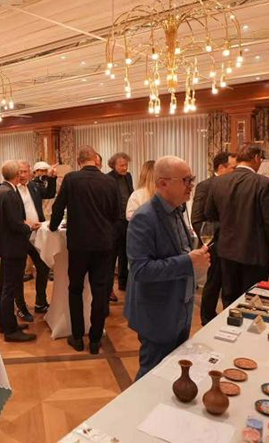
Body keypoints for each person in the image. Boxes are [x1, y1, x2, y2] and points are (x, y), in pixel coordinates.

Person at [127, 157, 209, 379]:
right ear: (163, 183)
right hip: (157, 312)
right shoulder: (144, 218)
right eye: (185, 180)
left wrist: (195, 261)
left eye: (191, 179)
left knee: (171, 372)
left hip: (180, 307)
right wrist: (189, 261)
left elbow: (180, 251)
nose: (191, 185)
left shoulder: (177, 210)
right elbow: (141, 270)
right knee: (151, 375)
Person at [49, 145, 120, 354]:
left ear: (79, 161)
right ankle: (96, 340)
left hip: (78, 244)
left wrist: (53, 226)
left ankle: (78, 337)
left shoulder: (71, 179)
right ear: (96, 160)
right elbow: (117, 214)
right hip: (103, 244)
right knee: (100, 291)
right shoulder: (110, 181)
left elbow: (58, 206)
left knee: (75, 289)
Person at [204, 143, 269, 305]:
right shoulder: (263, 183)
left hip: (226, 251)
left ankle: (229, 321)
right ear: (257, 158)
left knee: (229, 298)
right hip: (255, 252)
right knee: (254, 300)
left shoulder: (217, 182)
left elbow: (210, 215)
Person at [0, 160, 38, 342]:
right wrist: (29, 227)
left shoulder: (0, 190)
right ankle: (10, 330)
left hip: (6, 246)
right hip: (13, 247)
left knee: (3, 285)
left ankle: (4, 322)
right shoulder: (9, 193)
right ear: (17, 175)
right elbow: (14, 224)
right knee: (9, 289)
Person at [191, 151, 236, 325]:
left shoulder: (235, 184)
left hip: (234, 244)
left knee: (230, 285)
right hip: (215, 244)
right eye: (233, 168)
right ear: (221, 167)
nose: (236, 171)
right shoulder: (205, 186)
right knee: (214, 282)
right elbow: (197, 220)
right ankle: (207, 319)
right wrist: (209, 242)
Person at [15, 161, 52, 316]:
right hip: (20, 236)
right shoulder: (11, 190)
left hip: (37, 235)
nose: (22, 175)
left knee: (43, 267)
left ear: (30, 172)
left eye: (25, 171)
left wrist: (52, 178)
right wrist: (26, 224)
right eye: (19, 171)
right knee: (18, 273)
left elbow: (49, 194)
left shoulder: (34, 186)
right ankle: (21, 306)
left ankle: (40, 302)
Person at [107, 152, 133, 297]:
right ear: (113, 165)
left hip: (127, 221)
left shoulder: (128, 176)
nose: (124, 168)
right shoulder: (108, 178)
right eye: (121, 165)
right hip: (114, 222)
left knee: (125, 254)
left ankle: (123, 283)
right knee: (111, 257)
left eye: (126, 165)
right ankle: (109, 288)